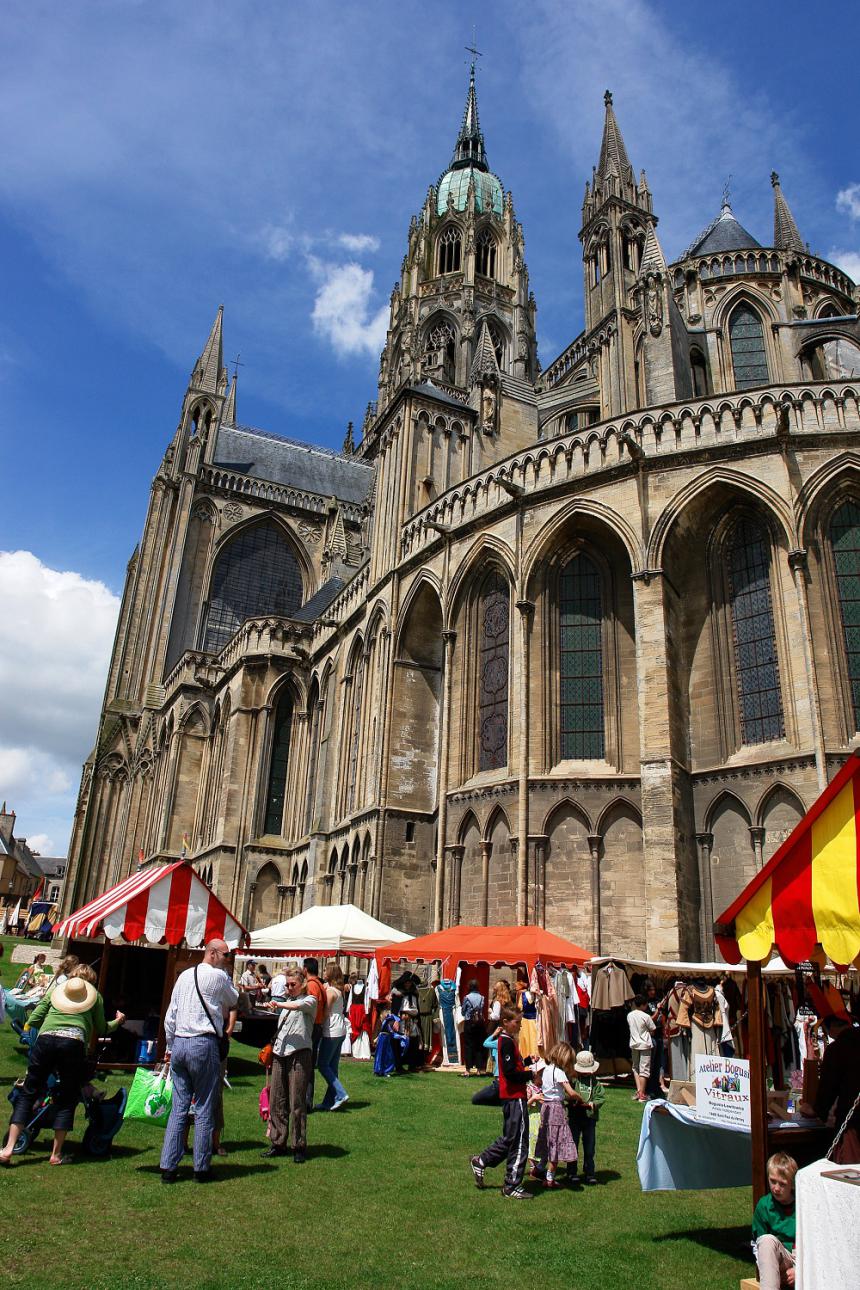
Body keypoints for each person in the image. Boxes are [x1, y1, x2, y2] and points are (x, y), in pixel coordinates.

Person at [0, 964, 125, 1166]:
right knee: (67, 1097)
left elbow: (34, 1018)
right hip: (73, 1044)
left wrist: (50, 1028)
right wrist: (118, 1021)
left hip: (46, 1041)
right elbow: (102, 1028)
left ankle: (8, 1149)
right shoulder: (95, 997)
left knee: (29, 1091)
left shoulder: (56, 991)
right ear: (90, 982)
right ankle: (56, 1154)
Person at [159, 938, 239, 1183]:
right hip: (203, 1043)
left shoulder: (184, 976)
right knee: (204, 1107)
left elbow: (170, 1016)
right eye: (226, 956)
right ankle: (201, 1168)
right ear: (213, 954)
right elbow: (234, 1000)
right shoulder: (218, 977)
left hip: (180, 1044)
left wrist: (171, 1047)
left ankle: (168, 1167)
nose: (228, 960)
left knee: (179, 1108)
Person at [469, 1004, 534, 1200]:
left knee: (510, 1138)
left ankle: (481, 1161)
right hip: (514, 1096)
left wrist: (528, 1061)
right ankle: (511, 1185)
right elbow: (510, 1073)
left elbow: (513, 1066)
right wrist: (531, 1075)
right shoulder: (505, 1041)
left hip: (511, 1097)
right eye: (517, 1023)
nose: (520, 1026)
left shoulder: (508, 1041)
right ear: (505, 1023)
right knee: (520, 1141)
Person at [264, 966, 317, 1161]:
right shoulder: (287, 1002)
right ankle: (278, 1142)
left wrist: (278, 1005)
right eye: (287, 985)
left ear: (302, 984)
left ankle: (299, 1145)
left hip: (299, 1054)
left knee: (297, 1101)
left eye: (292, 984)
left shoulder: (310, 1001)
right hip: (280, 1053)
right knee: (277, 1099)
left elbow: (298, 1006)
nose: (288, 988)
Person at [805, 1014, 860, 1162]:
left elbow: (827, 1090)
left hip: (852, 1124)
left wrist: (816, 1110)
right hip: (852, 1119)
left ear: (833, 1027)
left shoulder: (837, 1048)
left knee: (850, 1176)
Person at [532, 1041, 579, 1187]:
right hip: (556, 1110)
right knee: (557, 1142)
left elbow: (546, 1088)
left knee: (548, 1139)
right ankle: (550, 1178)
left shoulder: (546, 1070)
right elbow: (570, 1092)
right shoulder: (559, 1072)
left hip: (545, 1107)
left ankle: (540, 1169)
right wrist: (579, 1097)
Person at [751, 1152, 797, 1289]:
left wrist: (799, 1271)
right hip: (778, 1258)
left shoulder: (803, 1204)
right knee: (766, 1240)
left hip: (802, 1258)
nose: (776, 1188)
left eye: (782, 1184)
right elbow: (756, 1244)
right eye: (772, 1181)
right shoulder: (764, 1205)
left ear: (792, 1185)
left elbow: (815, 1244)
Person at [568, 1049, 605, 1185]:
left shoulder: (595, 1083)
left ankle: (589, 1172)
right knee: (573, 1145)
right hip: (575, 1117)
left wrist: (592, 1104)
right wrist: (573, 1101)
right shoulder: (573, 1080)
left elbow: (601, 1097)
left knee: (589, 1146)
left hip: (589, 1119)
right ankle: (571, 1172)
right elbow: (567, 1095)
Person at [317, 963, 349, 1110]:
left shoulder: (330, 991)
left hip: (332, 1030)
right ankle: (329, 1102)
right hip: (340, 1029)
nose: (323, 972)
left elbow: (326, 1011)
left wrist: (318, 1024)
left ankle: (341, 1094)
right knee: (332, 1067)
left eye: (325, 970)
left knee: (323, 1065)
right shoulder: (338, 989)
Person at [302, 957, 326, 1111]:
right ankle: (307, 1101)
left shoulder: (312, 985)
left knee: (306, 1065)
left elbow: (308, 1006)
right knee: (309, 1064)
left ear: (305, 969)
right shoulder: (320, 984)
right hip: (318, 1025)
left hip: (312, 1026)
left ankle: (305, 1101)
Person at [627, 994, 655, 1102]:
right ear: (643, 1005)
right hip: (645, 1044)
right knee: (644, 1069)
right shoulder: (646, 1016)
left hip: (634, 1043)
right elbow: (652, 1029)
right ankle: (642, 1094)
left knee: (636, 1068)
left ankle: (639, 1091)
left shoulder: (630, 1015)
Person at [460, 979, 486, 1077]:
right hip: (479, 1023)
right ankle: (479, 1070)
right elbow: (481, 1009)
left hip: (469, 1022)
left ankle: (468, 1070)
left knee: (468, 1046)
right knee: (479, 1046)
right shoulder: (482, 997)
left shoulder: (467, 997)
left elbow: (463, 1011)